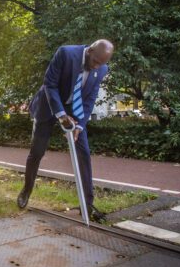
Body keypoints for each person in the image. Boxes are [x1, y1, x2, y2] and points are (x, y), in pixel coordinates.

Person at [18, 39, 114, 222]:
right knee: (37, 152)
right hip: (48, 106)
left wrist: (79, 125)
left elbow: (90, 99)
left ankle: (87, 204)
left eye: (101, 64)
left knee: (84, 153)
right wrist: (61, 115)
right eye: (95, 61)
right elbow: (50, 84)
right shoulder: (66, 53)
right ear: (89, 51)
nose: (96, 67)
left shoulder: (101, 69)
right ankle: (26, 190)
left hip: (75, 111)